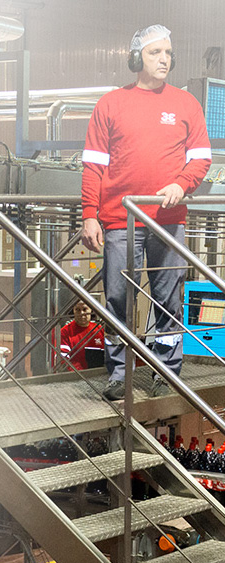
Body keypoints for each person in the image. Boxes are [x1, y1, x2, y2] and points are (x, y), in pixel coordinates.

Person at [81, 24, 211, 401]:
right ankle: (118, 374)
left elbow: (201, 158)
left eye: (168, 53)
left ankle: (166, 373)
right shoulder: (111, 104)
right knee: (118, 298)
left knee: (168, 299)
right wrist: (90, 214)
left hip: (168, 220)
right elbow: (93, 166)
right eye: (156, 53)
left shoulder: (186, 104)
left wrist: (182, 185)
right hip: (120, 220)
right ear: (137, 58)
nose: (164, 59)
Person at [54, 299, 104, 372]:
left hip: (98, 374)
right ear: (73, 311)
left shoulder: (100, 330)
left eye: (85, 309)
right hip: (74, 375)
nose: (81, 313)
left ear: (91, 310)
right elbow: (62, 360)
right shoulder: (65, 332)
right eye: (78, 310)